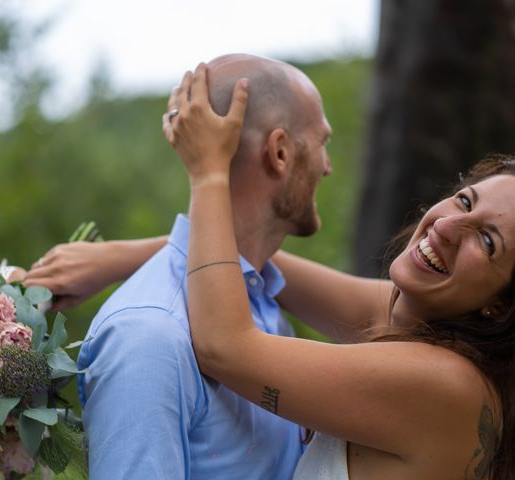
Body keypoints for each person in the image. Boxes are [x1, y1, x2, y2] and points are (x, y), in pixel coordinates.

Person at [162, 64, 515, 479]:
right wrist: (115, 258)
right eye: (465, 202)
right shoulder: (426, 324)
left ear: (502, 307)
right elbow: (262, 257)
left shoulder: (443, 383)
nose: (447, 227)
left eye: (487, 242)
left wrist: (209, 172)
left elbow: (224, 346)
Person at [25, 54, 333, 480]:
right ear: (280, 152)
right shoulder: (150, 334)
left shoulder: (262, 299)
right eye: (323, 143)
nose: (328, 166)